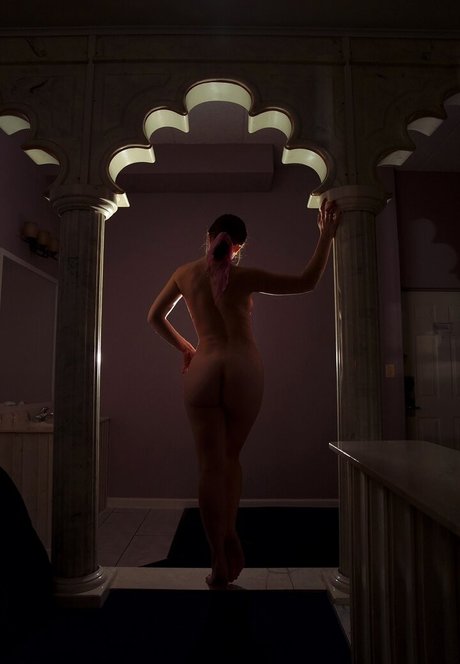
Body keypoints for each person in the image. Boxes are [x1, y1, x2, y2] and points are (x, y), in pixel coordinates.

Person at [147, 199, 341, 588]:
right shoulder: (245, 276)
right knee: (231, 458)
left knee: (209, 466)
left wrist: (188, 348)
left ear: (208, 238)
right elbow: (307, 281)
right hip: (243, 369)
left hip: (203, 369)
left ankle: (217, 557)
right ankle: (230, 530)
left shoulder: (184, 274)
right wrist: (326, 236)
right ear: (239, 247)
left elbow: (155, 317)